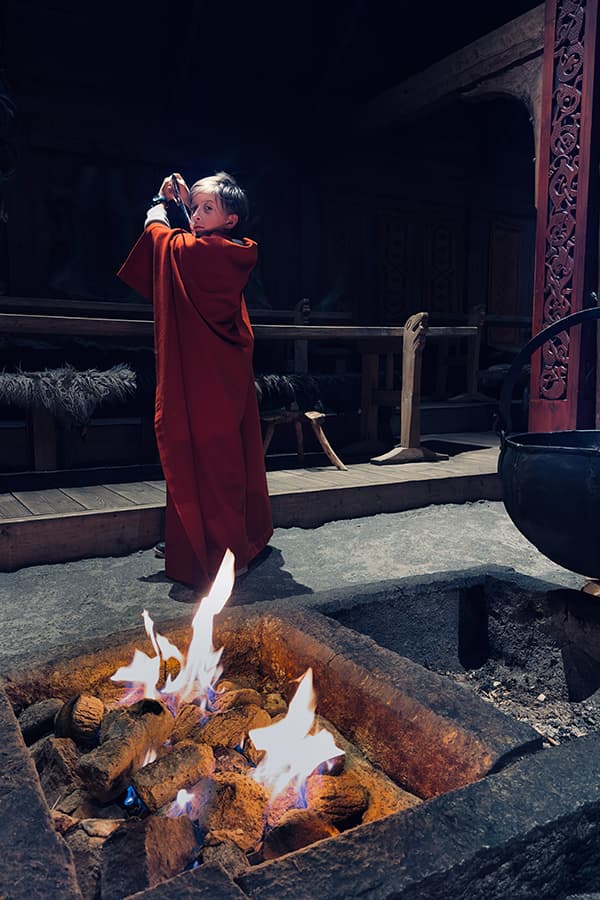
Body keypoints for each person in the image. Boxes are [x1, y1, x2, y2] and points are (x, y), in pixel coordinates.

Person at [117, 170, 273, 589]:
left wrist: (158, 209)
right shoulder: (226, 253)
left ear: (231, 221)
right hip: (221, 373)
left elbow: (164, 244)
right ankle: (199, 541)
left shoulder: (206, 254)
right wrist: (182, 208)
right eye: (195, 209)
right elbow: (183, 250)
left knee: (210, 458)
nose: (197, 217)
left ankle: (226, 557)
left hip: (208, 380)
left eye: (208, 209)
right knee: (218, 458)